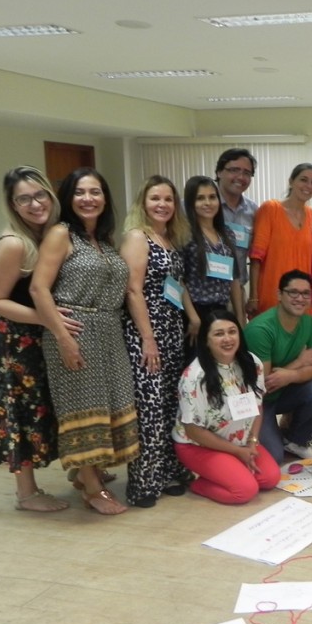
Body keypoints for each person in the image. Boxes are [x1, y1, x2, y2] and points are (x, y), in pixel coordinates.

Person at [30, 168, 139, 515]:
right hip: (75, 329)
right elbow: (39, 288)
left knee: (109, 405)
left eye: (95, 192)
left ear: (105, 198)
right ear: (68, 198)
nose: (88, 199)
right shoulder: (61, 234)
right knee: (81, 409)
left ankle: (84, 472)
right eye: (80, 192)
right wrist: (63, 337)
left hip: (109, 329)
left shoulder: (103, 240)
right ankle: (93, 489)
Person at [0, 167, 80, 511]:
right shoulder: (14, 243)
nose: (35, 204)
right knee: (19, 411)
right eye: (24, 199)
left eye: (40, 195)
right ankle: (26, 493)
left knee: (51, 405)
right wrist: (45, 318)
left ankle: (81, 469)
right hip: (13, 341)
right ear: (13, 205)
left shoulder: (51, 233)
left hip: (40, 334)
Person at [121, 175, 193, 508]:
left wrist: (192, 318)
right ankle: (143, 484)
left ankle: (167, 473)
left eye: (168, 199)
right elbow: (133, 290)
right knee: (149, 409)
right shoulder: (137, 237)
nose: (162, 204)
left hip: (172, 330)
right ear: (143, 202)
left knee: (168, 406)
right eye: (155, 198)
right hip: (146, 333)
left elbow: (176, 286)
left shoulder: (169, 239)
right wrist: (147, 339)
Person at [173, 310, 280, 504]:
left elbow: (257, 406)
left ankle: (230, 469)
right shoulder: (194, 377)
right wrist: (237, 452)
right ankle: (197, 484)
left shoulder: (252, 363)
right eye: (218, 334)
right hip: (199, 446)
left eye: (232, 331)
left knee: (270, 478)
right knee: (245, 491)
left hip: (241, 441)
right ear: (206, 340)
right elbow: (193, 431)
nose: (227, 339)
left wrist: (252, 442)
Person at [244, 270, 312, 464]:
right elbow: (265, 385)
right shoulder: (261, 329)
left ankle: (295, 440)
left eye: (305, 293)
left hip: (283, 392)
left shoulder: (308, 322)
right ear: (279, 295)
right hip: (256, 403)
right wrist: (299, 363)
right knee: (275, 457)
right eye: (293, 292)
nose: (300, 298)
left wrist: (290, 375)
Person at [249, 162, 312, 316]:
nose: (308, 186)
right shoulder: (271, 209)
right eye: (303, 180)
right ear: (291, 181)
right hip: (273, 294)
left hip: (302, 298)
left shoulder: (310, 215)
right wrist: (253, 296)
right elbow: (256, 258)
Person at [182, 175, 245, 338]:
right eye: (200, 198)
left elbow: (234, 278)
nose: (208, 203)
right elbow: (179, 279)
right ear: (191, 203)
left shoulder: (227, 234)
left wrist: (239, 316)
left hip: (222, 310)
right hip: (196, 312)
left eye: (212, 197)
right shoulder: (184, 234)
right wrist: (193, 317)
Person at [215, 148, 259, 286]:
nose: (241, 177)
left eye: (247, 173)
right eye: (234, 170)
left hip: (238, 289)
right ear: (219, 172)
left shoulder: (253, 211)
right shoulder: (197, 206)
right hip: (203, 291)